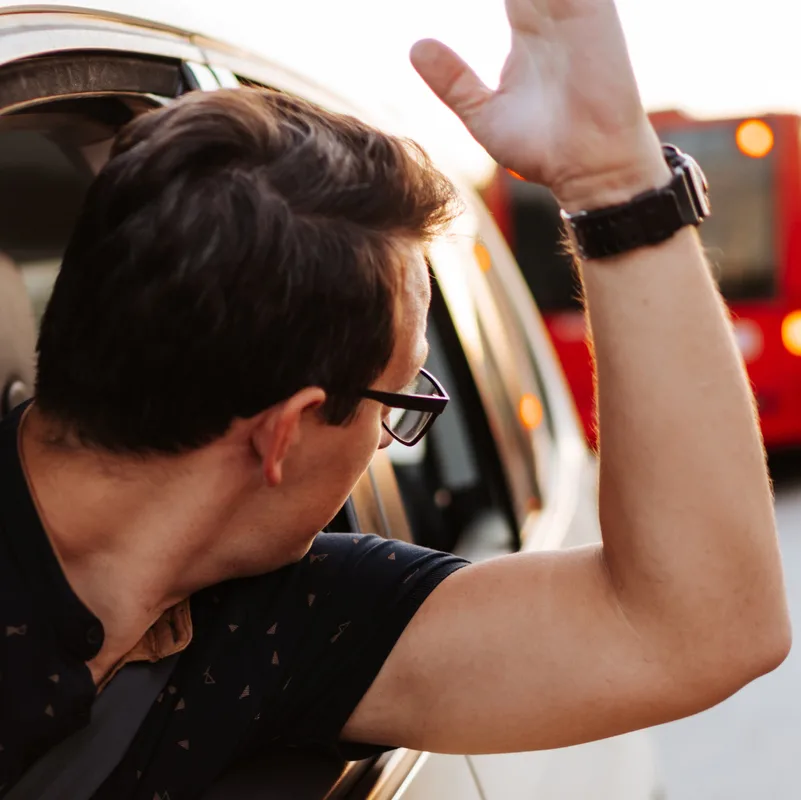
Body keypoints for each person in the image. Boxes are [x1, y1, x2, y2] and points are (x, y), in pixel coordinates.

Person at [0, 0, 791, 797]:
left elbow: (701, 628)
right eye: (398, 396)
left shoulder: (276, 622)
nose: (387, 439)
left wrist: (618, 183)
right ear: (289, 431)